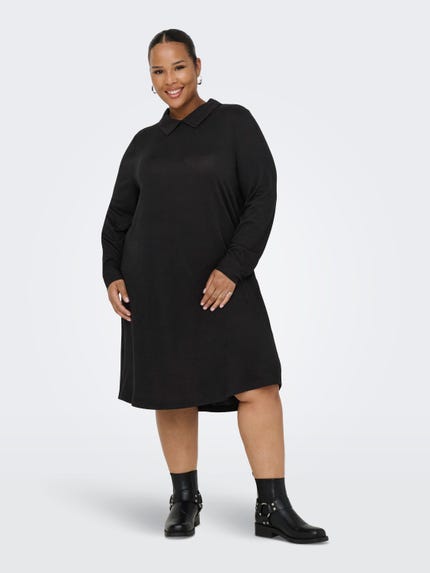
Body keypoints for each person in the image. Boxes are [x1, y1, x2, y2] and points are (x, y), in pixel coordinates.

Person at [101, 28, 328, 543]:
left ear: (198, 66)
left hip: (223, 282)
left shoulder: (234, 123)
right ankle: (184, 500)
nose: (170, 80)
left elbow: (261, 197)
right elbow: (117, 218)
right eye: (158, 71)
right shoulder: (143, 143)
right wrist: (112, 272)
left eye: (178, 67)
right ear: (150, 78)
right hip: (154, 287)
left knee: (258, 385)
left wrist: (233, 267)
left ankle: (273, 508)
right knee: (171, 392)